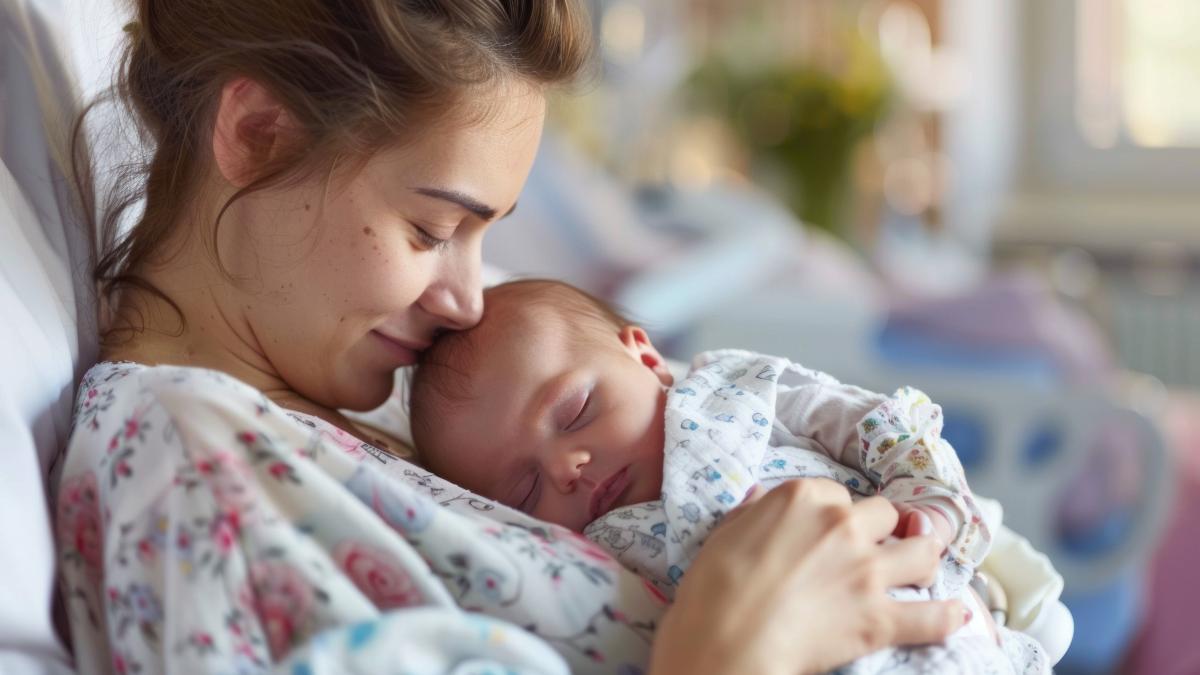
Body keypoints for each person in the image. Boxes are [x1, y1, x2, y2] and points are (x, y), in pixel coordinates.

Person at [57, 1, 967, 673]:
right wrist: (735, 652)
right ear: (257, 135)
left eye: (487, 235)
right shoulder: (186, 473)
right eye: (430, 229)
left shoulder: (379, 378)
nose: (464, 301)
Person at [410, 279, 1052, 673]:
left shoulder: (730, 390)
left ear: (644, 355)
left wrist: (931, 505)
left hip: (933, 608)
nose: (565, 468)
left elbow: (877, 426)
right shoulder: (592, 551)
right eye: (523, 489)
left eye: (576, 410)